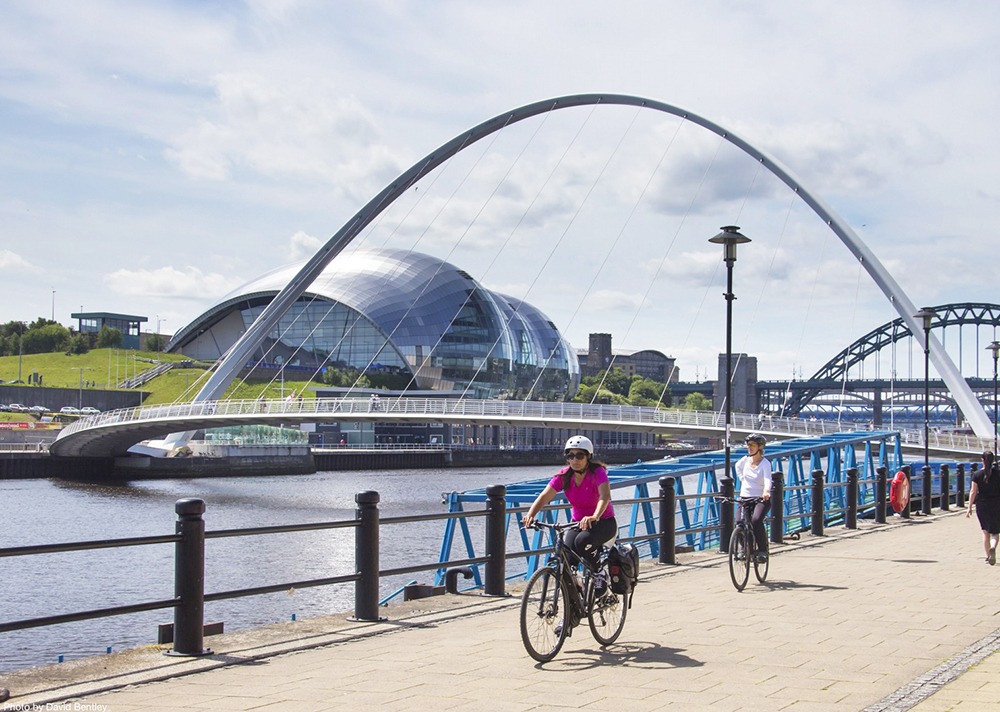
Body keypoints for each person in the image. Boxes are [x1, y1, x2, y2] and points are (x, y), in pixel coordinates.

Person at [523, 436, 617, 589]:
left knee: (582, 541)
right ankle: (574, 600)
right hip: (578, 523)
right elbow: (544, 496)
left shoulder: (597, 472)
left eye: (579, 455)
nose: (575, 460)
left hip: (603, 522)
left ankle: (600, 573)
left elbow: (604, 496)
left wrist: (595, 516)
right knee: (564, 558)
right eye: (570, 456)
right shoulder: (565, 476)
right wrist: (530, 515)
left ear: (588, 457)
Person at [735, 433, 772, 563]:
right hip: (744, 498)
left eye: (752, 445)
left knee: (756, 520)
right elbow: (737, 467)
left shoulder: (765, 463)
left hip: (760, 499)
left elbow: (768, 479)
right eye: (748, 445)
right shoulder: (744, 461)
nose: (749, 447)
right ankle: (744, 549)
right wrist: (741, 478)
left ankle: (762, 550)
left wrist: (766, 491)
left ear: (760, 447)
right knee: (739, 523)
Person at [967, 450, 1000, 565]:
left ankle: (988, 556)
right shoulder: (998, 473)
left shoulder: (977, 475)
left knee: (985, 532)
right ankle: (993, 547)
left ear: (982, 460)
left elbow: (973, 491)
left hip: (982, 504)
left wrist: (969, 507)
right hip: (996, 503)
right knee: (995, 532)